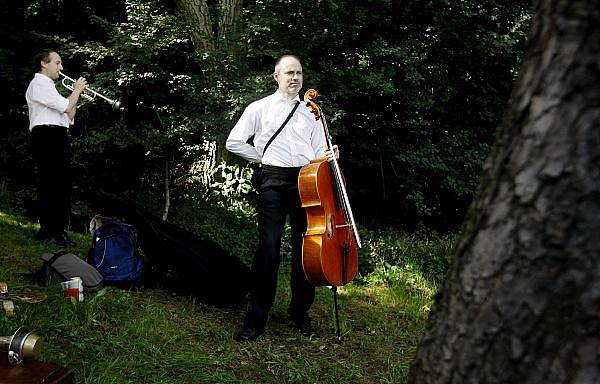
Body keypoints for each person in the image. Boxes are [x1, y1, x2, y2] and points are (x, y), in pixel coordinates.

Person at [226, 54, 337, 342]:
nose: (295, 78)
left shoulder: (311, 112)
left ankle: (300, 313)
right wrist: (262, 157)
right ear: (276, 76)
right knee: (269, 246)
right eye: (289, 72)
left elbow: (318, 150)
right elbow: (234, 141)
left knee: (307, 248)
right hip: (273, 180)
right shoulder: (259, 108)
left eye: (299, 72)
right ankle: (256, 318)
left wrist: (328, 155)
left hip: (306, 181)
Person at [25, 49, 87, 247]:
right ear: (44, 63)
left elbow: (69, 114)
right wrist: (76, 90)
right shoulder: (39, 84)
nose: (61, 68)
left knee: (61, 185)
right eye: (57, 63)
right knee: (51, 184)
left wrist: (76, 95)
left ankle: (57, 230)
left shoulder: (50, 87)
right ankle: (51, 232)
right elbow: (67, 107)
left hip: (57, 135)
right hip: (47, 135)